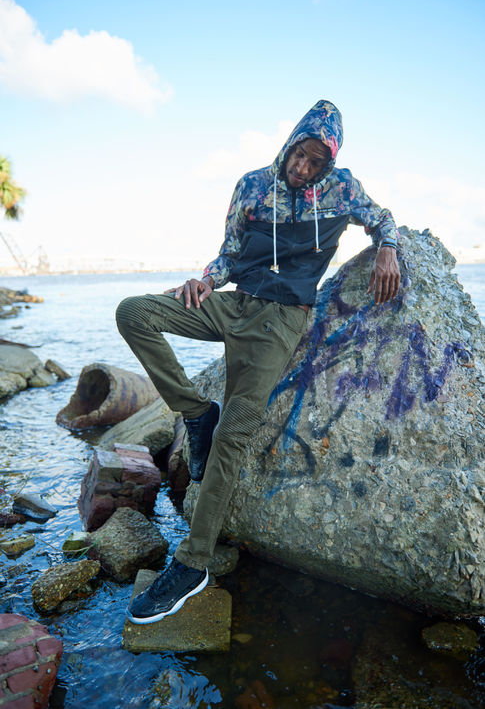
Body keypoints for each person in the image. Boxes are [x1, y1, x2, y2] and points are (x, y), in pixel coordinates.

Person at [116, 99, 400, 624]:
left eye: (316, 162)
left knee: (234, 434)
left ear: (330, 162)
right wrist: (206, 278)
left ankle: (194, 562)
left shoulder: (341, 189)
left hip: (281, 323)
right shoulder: (251, 185)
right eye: (300, 155)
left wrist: (388, 248)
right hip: (233, 304)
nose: (303, 168)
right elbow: (228, 252)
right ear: (289, 143)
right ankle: (194, 410)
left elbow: (382, 218)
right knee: (133, 312)